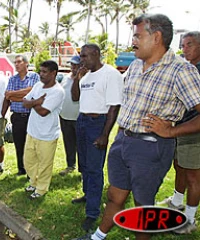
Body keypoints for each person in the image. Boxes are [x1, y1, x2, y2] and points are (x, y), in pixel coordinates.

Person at [73, 14, 200, 240]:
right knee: (115, 196)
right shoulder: (134, 66)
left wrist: (171, 131)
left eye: (137, 35)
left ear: (157, 37)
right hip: (123, 141)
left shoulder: (181, 70)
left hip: (151, 147)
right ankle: (97, 237)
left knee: (143, 206)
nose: (133, 41)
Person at [70, 44, 123, 231]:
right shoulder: (86, 75)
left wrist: (104, 134)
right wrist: (77, 78)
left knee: (94, 168)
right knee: (83, 164)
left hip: (97, 123)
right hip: (82, 120)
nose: (82, 60)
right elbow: (75, 97)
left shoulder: (110, 74)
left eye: (85, 56)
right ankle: (87, 194)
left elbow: (114, 106)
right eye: (80, 56)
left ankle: (92, 212)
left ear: (96, 54)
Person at [158, 31, 200, 234]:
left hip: (194, 131)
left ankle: (190, 220)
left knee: (194, 176)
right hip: (179, 129)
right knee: (179, 167)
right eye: (183, 45)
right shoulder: (185, 68)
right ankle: (176, 202)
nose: (185, 49)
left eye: (190, 44)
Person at [23, 60, 65, 199]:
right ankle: (33, 183)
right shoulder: (38, 85)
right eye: (40, 71)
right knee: (28, 161)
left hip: (47, 134)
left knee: (45, 165)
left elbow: (43, 111)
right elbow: (25, 102)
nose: (41, 74)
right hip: (32, 131)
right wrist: (36, 101)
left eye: (44, 72)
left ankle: (41, 189)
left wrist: (32, 102)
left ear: (53, 73)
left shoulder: (58, 91)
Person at [2, 55, 40, 176]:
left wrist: (15, 94)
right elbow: (8, 96)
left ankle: (31, 171)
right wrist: (25, 95)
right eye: (15, 62)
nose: (16, 64)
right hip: (17, 116)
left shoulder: (34, 76)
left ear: (26, 64)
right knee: (19, 144)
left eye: (19, 62)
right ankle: (21, 168)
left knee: (31, 145)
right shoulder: (12, 79)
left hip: (31, 116)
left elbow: (33, 92)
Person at [58, 55, 81, 176]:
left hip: (78, 118)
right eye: (72, 65)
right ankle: (70, 165)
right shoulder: (66, 78)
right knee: (68, 142)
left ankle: (83, 170)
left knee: (81, 145)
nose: (74, 67)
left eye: (76, 65)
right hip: (65, 117)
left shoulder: (84, 79)